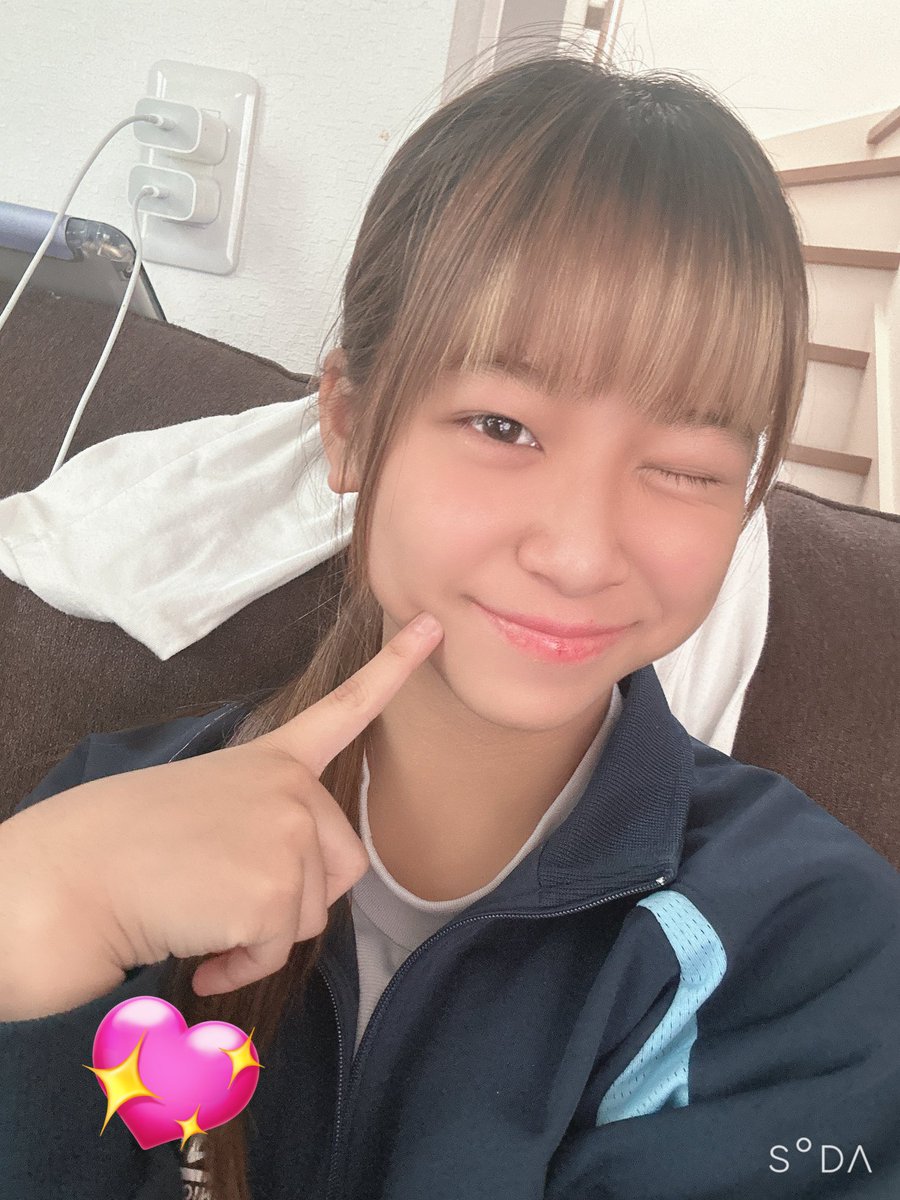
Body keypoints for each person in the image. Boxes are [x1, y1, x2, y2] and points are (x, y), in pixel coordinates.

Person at [1, 44, 898, 1200]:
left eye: (684, 465)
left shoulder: (813, 946)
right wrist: (38, 904)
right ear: (348, 425)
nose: (580, 551)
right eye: (502, 427)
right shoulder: (97, 822)